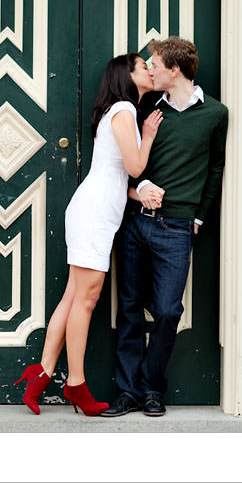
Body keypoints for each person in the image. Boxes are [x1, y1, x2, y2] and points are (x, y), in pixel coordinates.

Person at [15, 53, 163, 416]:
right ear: (127, 75)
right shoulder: (126, 110)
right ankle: (76, 384)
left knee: (72, 296)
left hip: (94, 209)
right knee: (86, 300)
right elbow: (134, 166)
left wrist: (137, 191)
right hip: (95, 215)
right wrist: (148, 136)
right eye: (143, 65)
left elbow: (113, 175)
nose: (148, 69)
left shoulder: (117, 111)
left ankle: (41, 373)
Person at [102, 36, 228, 417]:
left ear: (175, 70)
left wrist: (199, 217)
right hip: (136, 224)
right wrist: (140, 187)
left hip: (177, 228)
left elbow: (215, 168)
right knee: (128, 308)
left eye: (155, 63)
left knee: (169, 311)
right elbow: (131, 163)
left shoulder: (216, 114)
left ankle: (151, 388)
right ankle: (127, 392)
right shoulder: (146, 109)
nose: (150, 69)